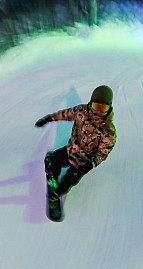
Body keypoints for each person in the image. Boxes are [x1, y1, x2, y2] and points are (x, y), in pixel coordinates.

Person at [35, 85, 117, 219]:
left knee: (69, 180)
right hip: (70, 150)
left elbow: (103, 153)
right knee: (51, 160)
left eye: (103, 108)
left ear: (109, 108)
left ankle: (57, 194)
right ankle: (53, 176)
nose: (99, 112)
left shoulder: (108, 131)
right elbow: (66, 114)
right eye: (97, 106)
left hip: (82, 163)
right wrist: (49, 118)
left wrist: (90, 165)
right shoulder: (82, 111)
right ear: (91, 103)